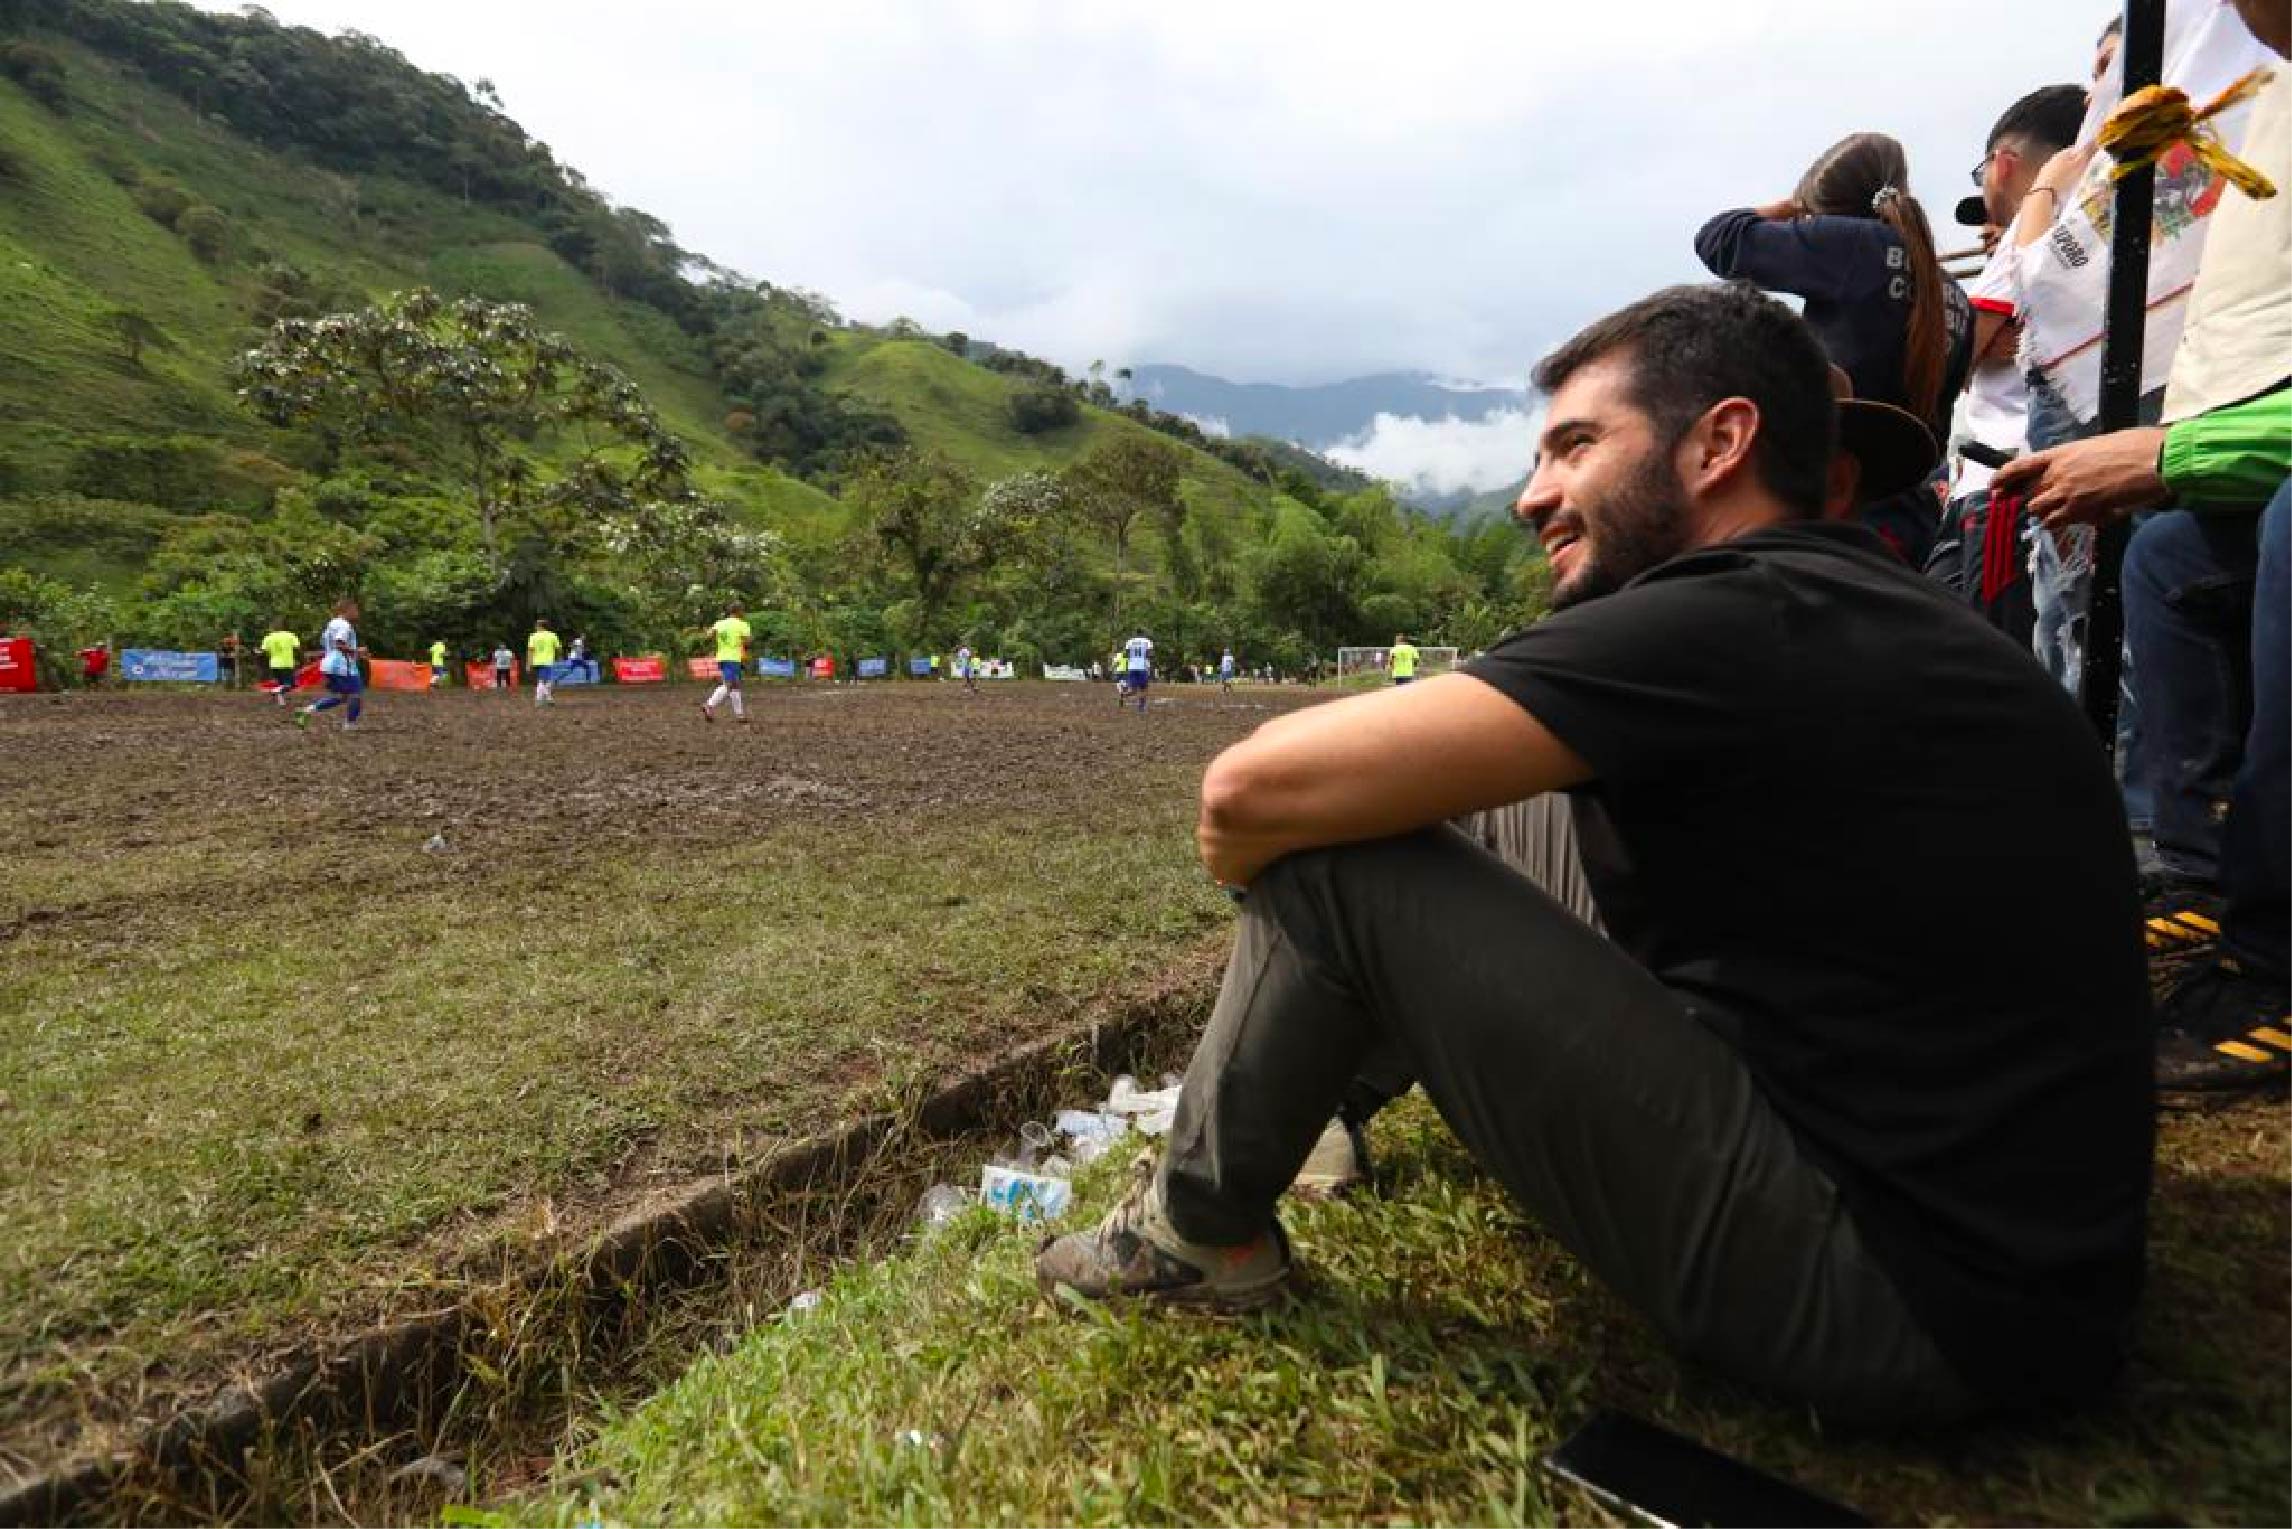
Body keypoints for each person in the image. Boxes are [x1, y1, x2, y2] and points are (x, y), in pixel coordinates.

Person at [1036, 283, 2151, 1429]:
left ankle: (1194, 1232)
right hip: (2017, 1273)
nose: (1533, 496)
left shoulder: (1730, 619)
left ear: (1720, 441)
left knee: (1331, 857)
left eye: (1575, 446)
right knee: (1466, 797)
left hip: (1906, 1306)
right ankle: (1321, 1102)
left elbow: (1248, 788)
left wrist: (1267, 881)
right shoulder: (1858, 607)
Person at [1990, 0, 2288, 1092]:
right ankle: (2204, 875)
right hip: (2231, 426)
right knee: (2167, 562)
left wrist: (2168, 457)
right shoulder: (2265, 98)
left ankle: (2278, 959)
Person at [1694, 131, 1973, 565]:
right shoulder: (1952, 295)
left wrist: (1796, 206)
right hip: (1910, 513)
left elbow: (1720, 238)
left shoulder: (1852, 246)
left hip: (1839, 500)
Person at [1925, 85, 2090, 642]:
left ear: (2001, 164)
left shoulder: (2027, 233)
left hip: (2005, 485)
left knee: (1994, 651)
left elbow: (1949, 360)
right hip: (2053, 476)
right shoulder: (2088, 221)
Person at [295, 598, 365, 732]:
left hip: (329, 665)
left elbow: (329, 646)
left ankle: (306, 711)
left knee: (341, 696)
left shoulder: (331, 624)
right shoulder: (344, 625)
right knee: (356, 694)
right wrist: (358, 651)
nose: (357, 613)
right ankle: (350, 725)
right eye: (355, 609)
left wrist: (315, 654)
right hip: (343, 666)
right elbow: (339, 644)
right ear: (347, 610)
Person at [702, 603, 752, 723]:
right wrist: (743, 643)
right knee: (729, 685)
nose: (743, 613)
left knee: (735, 685)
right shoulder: (742, 624)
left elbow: (709, 635)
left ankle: (740, 715)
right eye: (742, 611)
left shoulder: (719, 623)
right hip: (733, 658)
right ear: (739, 611)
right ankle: (709, 705)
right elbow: (748, 640)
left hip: (722, 657)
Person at [258, 625, 300, 707]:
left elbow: (262, 651)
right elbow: (297, 647)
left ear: (272, 629)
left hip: (274, 664)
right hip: (286, 663)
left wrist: (257, 652)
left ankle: (281, 702)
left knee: (281, 685)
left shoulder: (268, 637)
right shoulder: (290, 635)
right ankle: (273, 691)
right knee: (290, 685)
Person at [527, 620, 562, 707]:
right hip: (547, 661)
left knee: (545, 681)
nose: (535, 627)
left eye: (536, 625)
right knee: (543, 681)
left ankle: (547, 699)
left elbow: (530, 650)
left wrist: (529, 663)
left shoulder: (533, 636)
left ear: (540, 626)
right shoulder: (552, 635)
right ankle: (541, 699)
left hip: (536, 661)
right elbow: (558, 648)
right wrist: (559, 657)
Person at [1121, 632, 1153, 713]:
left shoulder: (1130, 641)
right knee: (1144, 688)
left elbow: (1125, 654)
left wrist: (1132, 658)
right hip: (1142, 667)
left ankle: (1123, 695)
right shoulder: (1147, 641)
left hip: (1132, 667)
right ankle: (1141, 708)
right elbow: (1149, 653)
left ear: (1135, 634)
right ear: (1142, 634)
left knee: (1133, 691)